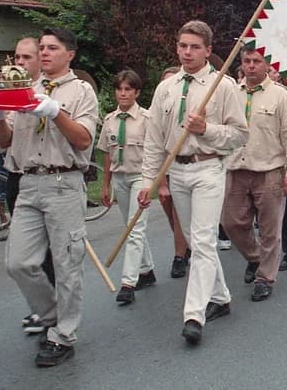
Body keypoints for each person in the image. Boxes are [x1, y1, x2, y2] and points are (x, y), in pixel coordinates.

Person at [137, 20, 248, 346]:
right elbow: (154, 140)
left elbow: (240, 134)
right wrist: (149, 180)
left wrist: (206, 130)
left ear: (208, 51)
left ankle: (193, 315)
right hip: (177, 171)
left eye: (195, 47)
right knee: (193, 238)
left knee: (201, 242)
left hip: (208, 169)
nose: (187, 52)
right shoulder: (165, 89)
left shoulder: (223, 86)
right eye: (183, 45)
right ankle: (222, 296)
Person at [0, 28, 99, 367]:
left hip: (63, 182)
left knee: (67, 264)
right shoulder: (24, 90)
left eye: (53, 48)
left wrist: (55, 112)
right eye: (42, 48)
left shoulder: (82, 92)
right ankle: (52, 315)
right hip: (28, 182)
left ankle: (64, 336)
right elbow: (4, 141)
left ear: (70, 54)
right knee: (18, 262)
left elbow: (83, 140)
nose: (45, 53)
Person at [0, 37, 57, 334]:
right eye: (16, 57)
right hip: (16, 175)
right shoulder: (10, 93)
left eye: (26, 57)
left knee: (50, 253)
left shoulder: (49, 92)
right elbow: (2, 142)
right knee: (22, 255)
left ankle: (52, 310)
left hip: (49, 177)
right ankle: (42, 308)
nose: (19, 63)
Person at [220, 48, 287, 302]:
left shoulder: (279, 95)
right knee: (231, 222)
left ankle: (265, 277)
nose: (251, 66)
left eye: (257, 61)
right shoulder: (231, 93)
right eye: (247, 61)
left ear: (267, 65)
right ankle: (254, 258)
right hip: (236, 167)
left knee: (269, 229)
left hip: (269, 170)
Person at [99, 70, 155, 306]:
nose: (123, 94)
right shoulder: (110, 120)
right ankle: (146, 269)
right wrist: (106, 183)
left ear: (137, 92)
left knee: (134, 229)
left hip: (140, 178)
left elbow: (155, 152)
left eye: (128, 89)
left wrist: (154, 183)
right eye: (120, 89)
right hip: (120, 177)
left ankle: (128, 283)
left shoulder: (147, 119)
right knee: (130, 225)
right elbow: (108, 153)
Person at [156, 66, 191, 279]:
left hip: (185, 166)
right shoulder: (158, 110)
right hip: (165, 168)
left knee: (181, 214)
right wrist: (160, 183)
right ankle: (184, 245)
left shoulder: (188, 107)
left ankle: (180, 255)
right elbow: (155, 146)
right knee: (171, 213)